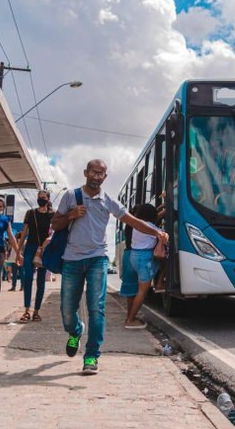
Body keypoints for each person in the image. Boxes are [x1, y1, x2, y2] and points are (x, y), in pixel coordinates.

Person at [52, 159, 167, 375]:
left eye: (101, 174)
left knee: (97, 308)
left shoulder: (108, 201)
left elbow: (133, 221)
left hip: (98, 259)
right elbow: (55, 224)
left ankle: (92, 356)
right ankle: (76, 330)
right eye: (93, 172)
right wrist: (71, 215)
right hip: (72, 260)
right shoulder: (70, 196)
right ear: (86, 172)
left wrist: (156, 233)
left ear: (105, 177)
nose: (96, 176)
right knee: (67, 311)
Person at [122, 203, 164, 329]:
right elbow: (163, 237)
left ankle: (130, 316)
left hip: (133, 257)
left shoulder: (135, 227)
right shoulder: (153, 229)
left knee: (133, 291)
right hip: (145, 259)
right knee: (142, 292)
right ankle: (130, 320)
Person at [17, 190, 54, 323]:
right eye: (39, 197)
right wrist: (18, 251)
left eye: (43, 197)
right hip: (30, 247)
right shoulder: (30, 213)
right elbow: (24, 233)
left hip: (45, 249)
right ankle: (27, 310)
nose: (41, 199)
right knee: (27, 278)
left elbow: (55, 232)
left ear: (48, 199)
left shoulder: (53, 214)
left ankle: (37, 311)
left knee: (41, 281)